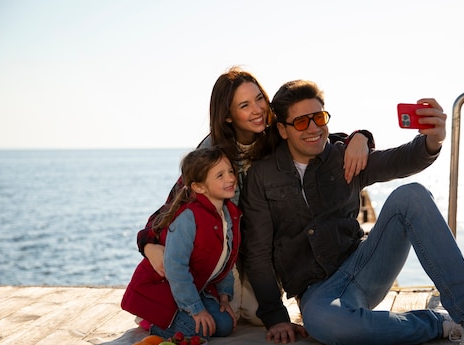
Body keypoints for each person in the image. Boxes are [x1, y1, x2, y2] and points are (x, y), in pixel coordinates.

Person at [240, 79, 464, 345]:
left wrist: (432, 139)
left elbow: (403, 160)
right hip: (317, 293)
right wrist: (276, 316)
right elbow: (257, 253)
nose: (314, 129)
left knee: (410, 196)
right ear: (282, 129)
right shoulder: (262, 176)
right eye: (302, 122)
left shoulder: (343, 155)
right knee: (326, 325)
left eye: (319, 118)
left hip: (363, 267)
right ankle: (440, 323)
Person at [136, 67, 373, 325]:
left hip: (261, 248)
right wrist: (148, 243)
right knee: (228, 317)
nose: (258, 109)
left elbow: (314, 139)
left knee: (257, 314)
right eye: (245, 105)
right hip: (224, 250)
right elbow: (176, 201)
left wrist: (360, 137)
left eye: (259, 98)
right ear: (228, 116)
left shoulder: (274, 136)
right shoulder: (212, 152)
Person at [121, 146, 241, 339]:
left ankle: (186, 310)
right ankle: (151, 318)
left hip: (195, 287)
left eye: (230, 171)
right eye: (220, 175)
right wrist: (196, 310)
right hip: (161, 289)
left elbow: (228, 258)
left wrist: (224, 297)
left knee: (225, 325)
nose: (230, 178)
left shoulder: (229, 215)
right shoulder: (189, 217)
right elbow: (176, 268)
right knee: (195, 331)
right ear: (199, 187)